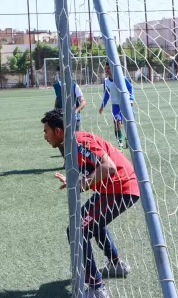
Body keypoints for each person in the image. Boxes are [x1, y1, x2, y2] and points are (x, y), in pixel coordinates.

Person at [42, 108, 138, 298]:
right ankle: (115, 264)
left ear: (58, 131)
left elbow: (108, 167)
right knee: (89, 221)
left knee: (77, 230)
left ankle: (96, 289)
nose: (44, 136)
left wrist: (82, 184)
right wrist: (77, 182)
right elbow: (91, 170)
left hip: (121, 189)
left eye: (46, 131)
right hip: (112, 189)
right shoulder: (70, 145)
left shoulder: (78, 142)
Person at [99, 62, 134, 149]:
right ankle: (120, 144)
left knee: (128, 124)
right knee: (117, 123)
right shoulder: (106, 82)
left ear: (112, 68)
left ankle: (127, 139)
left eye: (108, 68)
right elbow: (107, 95)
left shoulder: (122, 78)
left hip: (125, 104)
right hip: (115, 106)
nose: (106, 70)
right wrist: (102, 106)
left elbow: (130, 88)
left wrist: (131, 99)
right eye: (106, 69)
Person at [52, 72, 87, 156]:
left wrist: (75, 111)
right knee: (60, 139)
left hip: (74, 118)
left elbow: (83, 101)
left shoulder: (74, 85)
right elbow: (58, 99)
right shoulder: (57, 86)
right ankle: (66, 159)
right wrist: (55, 111)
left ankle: (78, 160)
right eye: (60, 73)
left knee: (75, 140)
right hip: (62, 117)